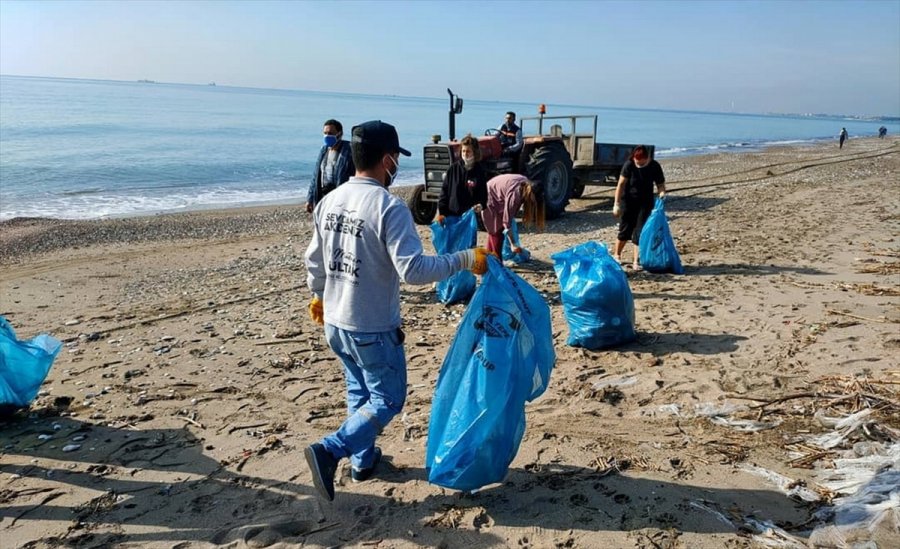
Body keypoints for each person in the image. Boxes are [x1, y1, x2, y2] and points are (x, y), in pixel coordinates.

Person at [303, 120, 491, 501]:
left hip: (336, 323)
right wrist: (465, 258)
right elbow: (414, 270)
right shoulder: (388, 207)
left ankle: (362, 460)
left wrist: (320, 295)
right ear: (387, 160)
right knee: (387, 399)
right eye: (395, 161)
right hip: (371, 324)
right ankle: (331, 449)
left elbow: (314, 262)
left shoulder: (329, 201)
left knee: (360, 391)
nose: (396, 168)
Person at [612, 145, 667, 271]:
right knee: (625, 229)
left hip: (645, 202)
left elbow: (660, 184)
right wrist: (616, 204)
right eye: (637, 162)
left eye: (642, 163)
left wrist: (662, 193)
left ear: (647, 159)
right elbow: (620, 185)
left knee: (640, 231)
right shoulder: (629, 165)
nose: (639, 164)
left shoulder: (654, 166)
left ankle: (636, 261)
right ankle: (617, 254)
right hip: (629, 201)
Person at [481, 173, 544, 256]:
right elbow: (506, 222)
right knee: (497, 233)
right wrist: (513, 243)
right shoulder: (515, 196)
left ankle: (489, 259)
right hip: (489, 196)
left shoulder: (525, 183)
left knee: (495, 232)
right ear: (531, 194)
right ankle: (496, 261)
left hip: (497, 193)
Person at [437, 133, 489, 223]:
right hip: (452, 215)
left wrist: (481, 205)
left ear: (475, 152)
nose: (465, 154)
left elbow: (483, 195)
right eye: (463, 151)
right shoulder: (453, 169)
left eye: (468, 151)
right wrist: (442, 213)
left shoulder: (480, 171)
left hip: (469, 219)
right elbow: (444, 192)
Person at [306, 119, 355, 213]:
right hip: (323, 196)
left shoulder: (349, 151)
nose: (327, 136)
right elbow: (316, 175)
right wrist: (310, 198)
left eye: (330, 133)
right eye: (325, 133)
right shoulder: (324, 150)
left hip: (340, 197)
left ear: (340, 134)